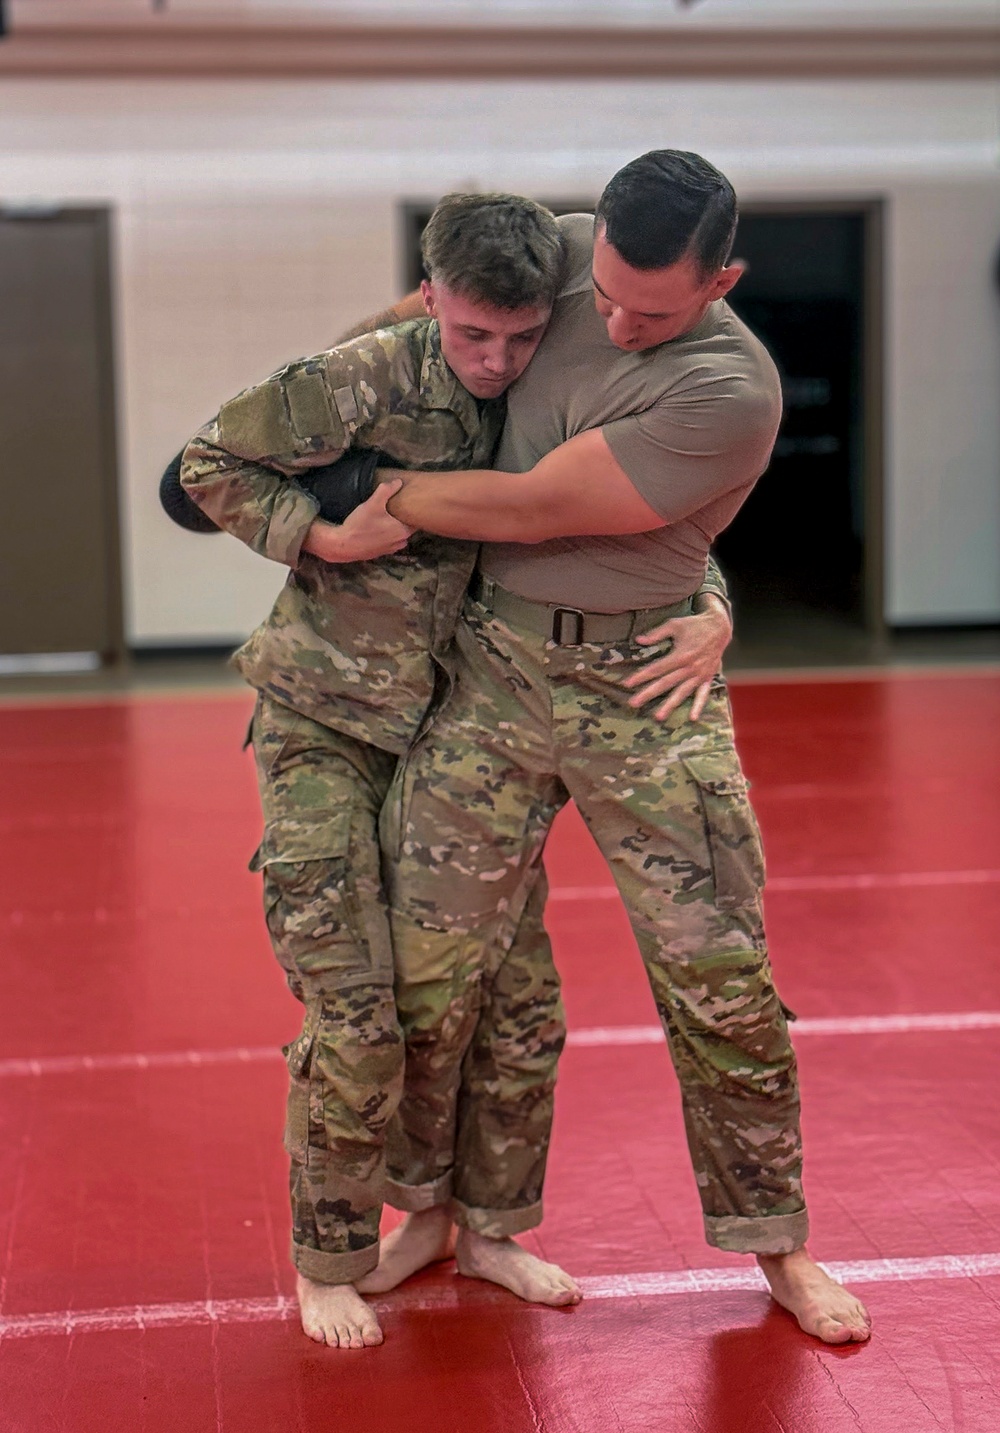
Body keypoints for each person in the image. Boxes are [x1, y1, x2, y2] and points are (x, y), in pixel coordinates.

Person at [178, 190, 733, 1350]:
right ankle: (327, 1253)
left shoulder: (550, 384)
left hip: (469, 735)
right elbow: (204, 464)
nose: (495, 361)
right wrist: (321, 535)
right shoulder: (366, 375)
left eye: (520, 337)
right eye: (473, 334)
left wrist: (716, 610)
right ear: (431, 297)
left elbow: (650, 523)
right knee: (358, 1008)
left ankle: (482, 1226)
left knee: (518, 1009)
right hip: (326, 726)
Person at [342, 151, 872, 1346]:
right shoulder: (570, 250)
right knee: (438, 970)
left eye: (655, 309)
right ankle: (445, 1214)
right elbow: (438, 309)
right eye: (610, 295)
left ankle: (778, 1243)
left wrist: (379, 490)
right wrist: (327, 386)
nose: (619, 320)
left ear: (722, 279)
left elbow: (535, 505)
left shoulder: (731, 387)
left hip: (644, 690)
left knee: (719, 980)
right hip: (493, 670)